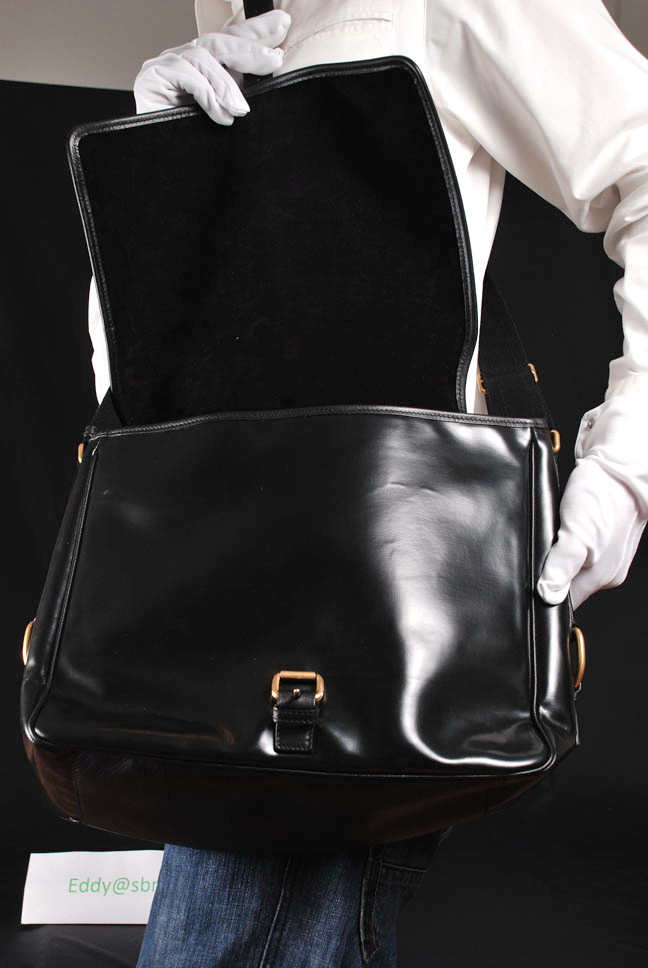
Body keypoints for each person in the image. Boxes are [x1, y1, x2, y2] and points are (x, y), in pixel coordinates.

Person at [83, 1, 648, 964]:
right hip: (212, 580)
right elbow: (151, 371)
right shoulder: (222, 13)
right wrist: (160, 167)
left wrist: (624, 469)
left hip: (372, 573)